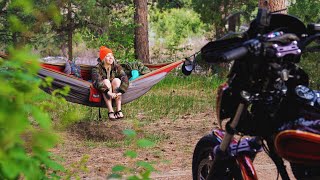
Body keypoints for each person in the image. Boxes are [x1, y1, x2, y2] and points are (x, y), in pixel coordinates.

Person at [92, 46, 129, 120]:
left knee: (117, 80)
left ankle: (118, 110)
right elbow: (97, 81)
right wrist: (108, 92)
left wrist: (121, 91)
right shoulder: (96, 68)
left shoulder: (116, 67)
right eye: (108, 56)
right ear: (103, 58)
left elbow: (125, 78)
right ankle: (110, 111)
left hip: (115, 90)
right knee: (106, 81)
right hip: (105, 90)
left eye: (112, 56)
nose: (111, 58)